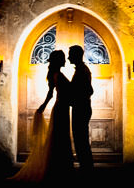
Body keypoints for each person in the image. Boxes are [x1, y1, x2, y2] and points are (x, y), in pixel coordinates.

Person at [10, 49, 73, 181]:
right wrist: (43, 106)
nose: (65, 60)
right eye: (62, 58)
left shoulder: (56, 74)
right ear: (58, 61)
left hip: (62, 108)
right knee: (59, 137)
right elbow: (52, 94)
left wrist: (44, 106)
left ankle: (59, 169)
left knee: (60, 137)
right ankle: (58, 169)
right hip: (61, 108)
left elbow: (52, 94)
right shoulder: (57, 75)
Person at [68, 45, 94, 171]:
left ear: (76, 56)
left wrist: (75, 98)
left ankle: (87, 168)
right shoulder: (80, 69)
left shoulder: (83, 70)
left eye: (70, 55)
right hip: (80, 107)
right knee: (80, 139)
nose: (68, 58)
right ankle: (86, 166)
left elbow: (89, 90)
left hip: (81, 109)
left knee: (81, 139)